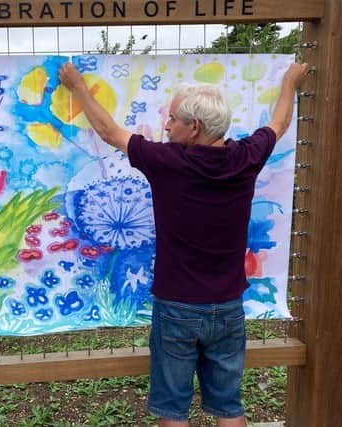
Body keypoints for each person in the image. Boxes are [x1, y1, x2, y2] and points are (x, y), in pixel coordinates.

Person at [59, 61, 309, 427]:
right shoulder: (246, 157)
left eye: (173, 118)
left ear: (194, 128)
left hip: (177, 307)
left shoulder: (166, 161)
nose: (166, 124)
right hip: (227, 308)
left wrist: (78, 87)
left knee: (173, 410)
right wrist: (289, 83)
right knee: (228, 407)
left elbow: (110, 132)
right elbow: (280, 124)